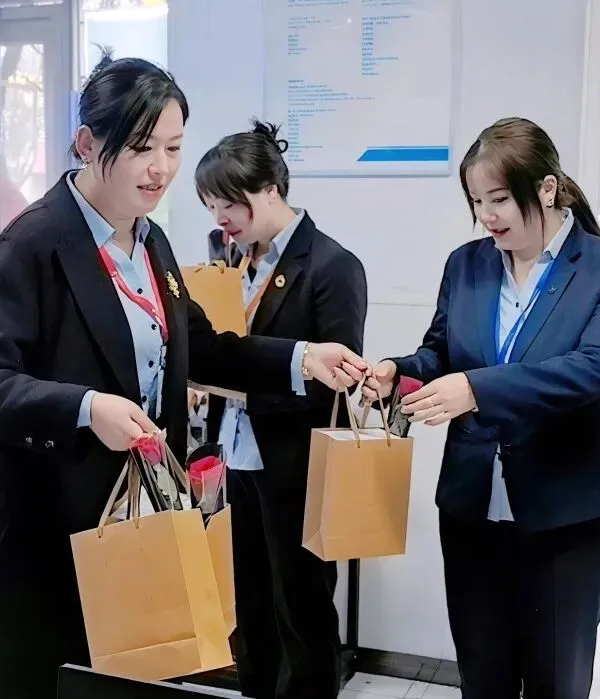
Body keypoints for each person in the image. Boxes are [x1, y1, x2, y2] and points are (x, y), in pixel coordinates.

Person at [0, 58, 365, 699]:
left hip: (133, 527)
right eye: (141, 148)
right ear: (87, 143)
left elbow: (198, 347)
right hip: (44, 530)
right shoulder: (33, 244)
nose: (161, 169)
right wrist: (86, 407)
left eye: (173, 148)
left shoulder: (150, 244)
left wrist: (300, 358)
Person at [360, 117, 600, 699]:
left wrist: (476, 390)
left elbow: (594, 367)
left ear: (546, 189)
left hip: (567, 516)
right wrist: (398, 372)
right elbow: (441, 352)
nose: (487, 215)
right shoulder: (467, 264)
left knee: (555, 681)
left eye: (499, 199)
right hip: (473, 511)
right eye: (476, 201)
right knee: (482, 676)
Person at [196, 121, 368, 699]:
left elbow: (338, 381)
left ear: (270, 190)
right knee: (247, 603)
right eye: (211, 206)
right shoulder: (227, 259)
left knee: (301, 606)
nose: (220, 218)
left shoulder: (332, 265)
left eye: (229, 203)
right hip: (236, 457)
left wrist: (246, 382)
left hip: (297, 464)